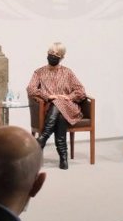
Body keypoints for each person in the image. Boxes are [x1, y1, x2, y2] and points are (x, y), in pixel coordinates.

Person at [26, 42, 87, 170]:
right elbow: (31, 89)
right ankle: (63, 159)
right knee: (59, 113)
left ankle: (43, 138)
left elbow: (81, 91)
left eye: (57, 54)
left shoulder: (67, 72)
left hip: (69, 108)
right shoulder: (39, 72)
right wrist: (48, 96)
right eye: (51, 53)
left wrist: (69, 97)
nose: (53, 56)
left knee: (59, 102)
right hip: (48, 108)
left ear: (62, 57)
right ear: (47, 53)